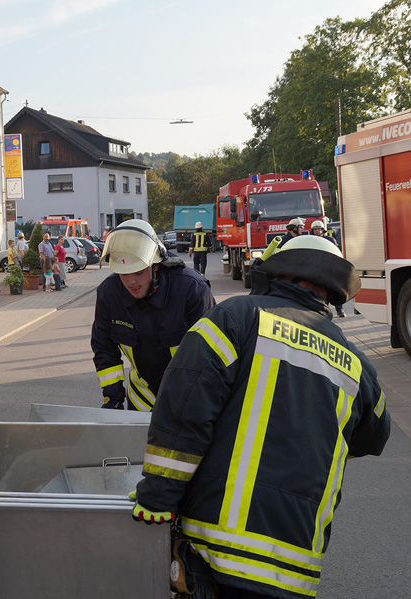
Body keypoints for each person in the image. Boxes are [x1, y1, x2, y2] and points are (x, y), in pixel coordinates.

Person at [131, 235, 391, 599]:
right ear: (331, 291)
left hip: (219, 549)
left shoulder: (234, 318)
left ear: (281, 271)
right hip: (296, 565)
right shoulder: (354, 363)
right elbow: (376, 434)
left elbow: (184, 409)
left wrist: (158, 496)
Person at [92, 219, 216, 411]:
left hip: (187, 398)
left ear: (155, 265)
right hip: (142, 399)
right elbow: (104, 348)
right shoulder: (109, 293)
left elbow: (210, 355)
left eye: (138, 271)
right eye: (123, 273)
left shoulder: (191, 289)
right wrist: (113, 398)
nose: (131, 282)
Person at [311, 220, 345, 317]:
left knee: (335, 288)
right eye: (315, 229)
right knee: (319, 290)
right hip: (317, 268)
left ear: (323, 230)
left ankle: (340, 309)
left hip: (330, 267)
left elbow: (336, 252)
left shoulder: (330, 240)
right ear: (312, 231)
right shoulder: (310, 240)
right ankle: (322, 311)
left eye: (319, 229)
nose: (317, 231)